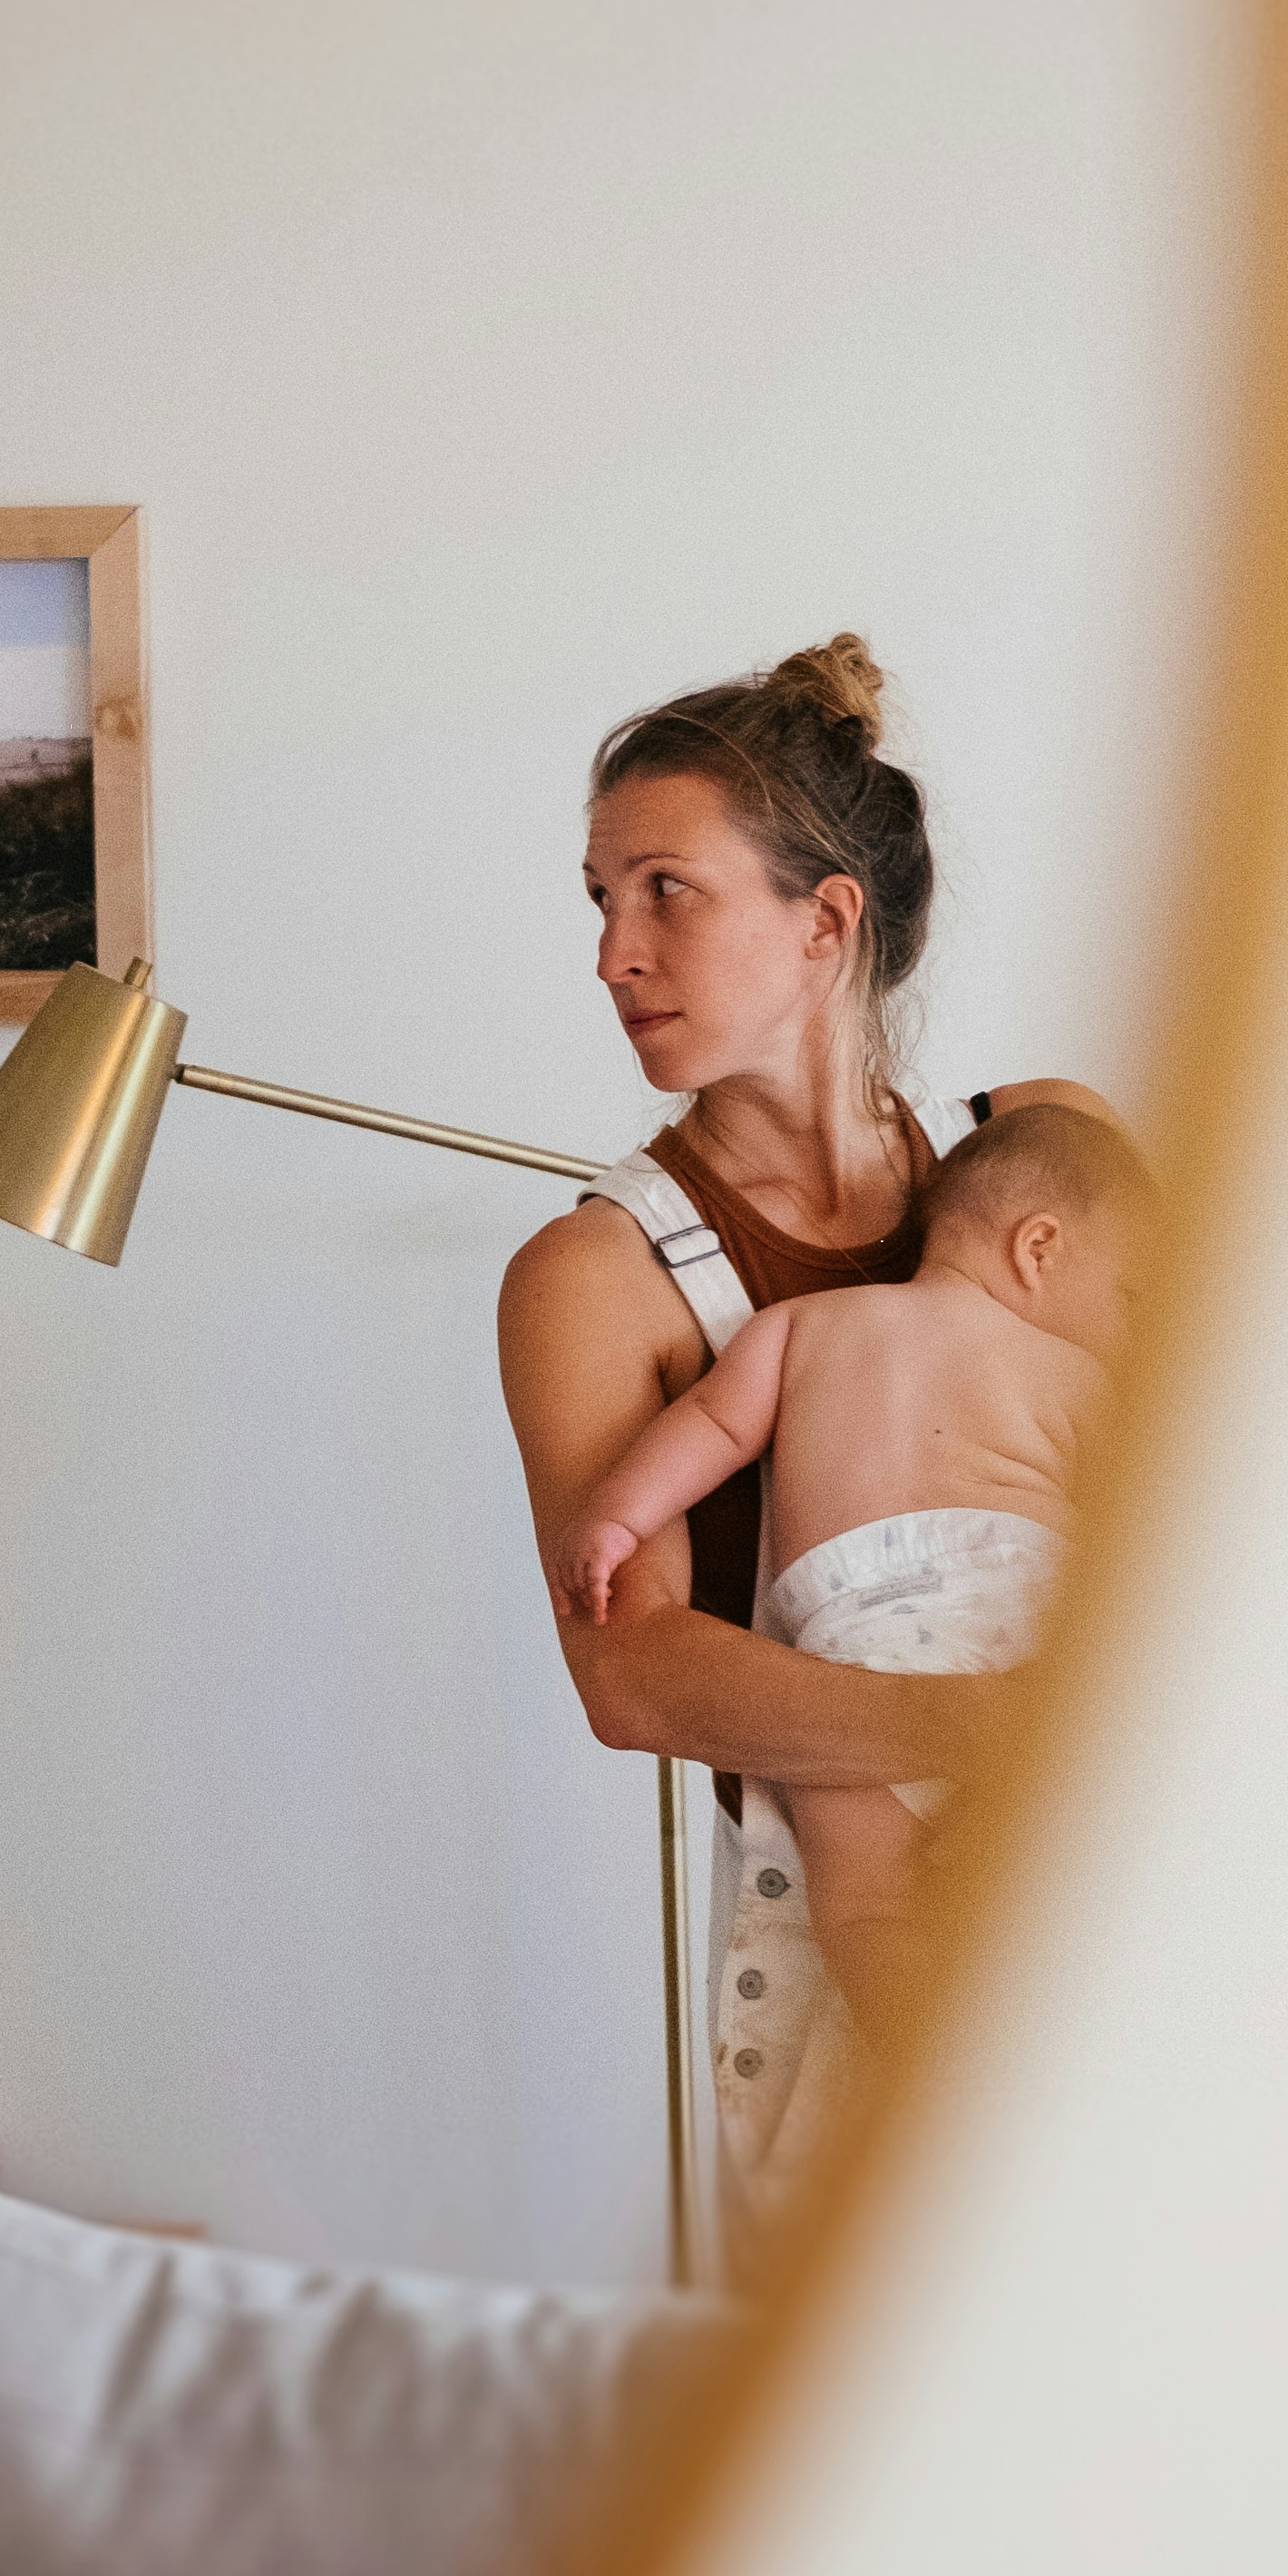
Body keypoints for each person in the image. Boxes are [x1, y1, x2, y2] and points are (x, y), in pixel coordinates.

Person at [496, 632, 1121, 2266]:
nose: (612, 953)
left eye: (664, 891)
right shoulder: (594, 1276)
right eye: (598, 900)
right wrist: (994, 1731)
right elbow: (629, 1675)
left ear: (824, 920)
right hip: (856, 1908)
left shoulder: (1047, 1156)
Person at [549, 1102, 1155, 2056]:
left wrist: (616, 1521)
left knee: (869, 1914)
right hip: (1014, 1616)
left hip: (847, 1653)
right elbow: (1139, 1539)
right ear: (1037, 1247)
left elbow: (710, 1431)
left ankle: (934, 2078)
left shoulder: (797, 1328)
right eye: (1129, 1298)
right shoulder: (1074, 1376)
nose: (1132, 1331)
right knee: (1071, 1894)